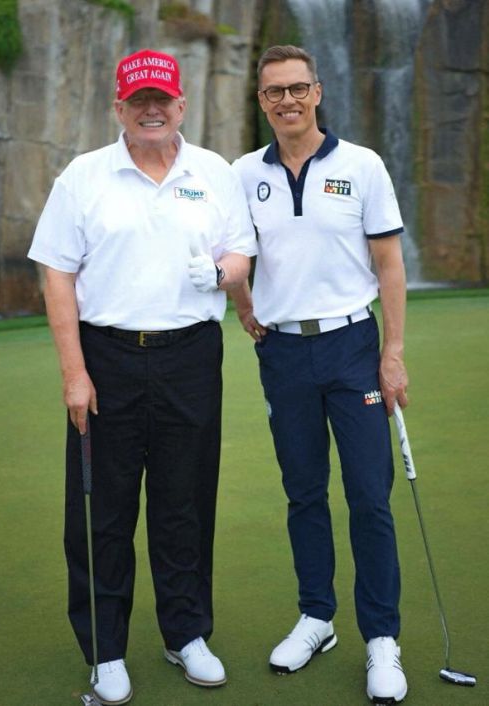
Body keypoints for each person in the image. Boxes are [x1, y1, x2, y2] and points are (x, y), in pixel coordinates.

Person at [28, 48, 256, 705]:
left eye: (161, 100)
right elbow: (57, 275)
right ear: (119, 108)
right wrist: (75, 372)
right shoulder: (84, 176)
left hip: (191, 355)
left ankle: (187, 634)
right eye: (138, 101)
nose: (151, 110)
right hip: (107, 356)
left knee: (186, 500)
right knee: (102, 508)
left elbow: (240, 251)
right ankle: (106, 650)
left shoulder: (213, 171)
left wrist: (221, 272)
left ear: (181, 105)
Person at [230, 45, 409, 704]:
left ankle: (382, 637)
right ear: (262, 101)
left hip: (353, 345)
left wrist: (393, 352)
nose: (288, 100)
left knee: (369, 495)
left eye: (297, 88)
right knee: (303, 492)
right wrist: (243, 306)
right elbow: (236, 253)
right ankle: (317, 617)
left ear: (318, 91)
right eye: (275, 91)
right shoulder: (243, 174)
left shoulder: (363, 164)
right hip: (283, 354)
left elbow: (389, 264)